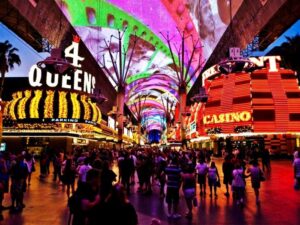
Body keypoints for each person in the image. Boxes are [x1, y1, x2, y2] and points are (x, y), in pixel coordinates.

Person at [0, 154, 8, 220]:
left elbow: (5, 170)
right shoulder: (2, 161)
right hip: (1, 180)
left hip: (2, 180)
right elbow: (5, 170)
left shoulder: (2, 161)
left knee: (1, 195)